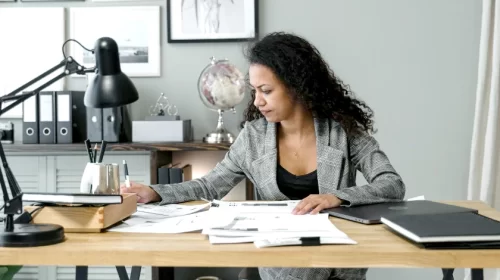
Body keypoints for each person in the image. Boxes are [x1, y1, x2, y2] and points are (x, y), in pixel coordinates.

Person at [121, 31, 405, 280]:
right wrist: (155, 193)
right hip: (282, 269)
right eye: (255, 91)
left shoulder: (343, 131)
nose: (257, 101)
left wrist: (337, 197)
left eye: (266, 91)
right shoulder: (254, 138)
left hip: (340, 269)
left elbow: (391, 183)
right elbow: (209, 186)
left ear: (296, 86)